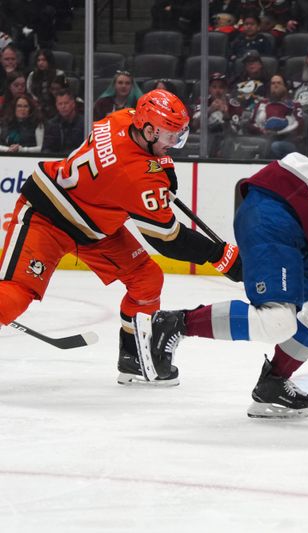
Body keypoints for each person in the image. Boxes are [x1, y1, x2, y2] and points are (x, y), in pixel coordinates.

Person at [133, 113, 308, 419]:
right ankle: (173, 324)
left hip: (298, 233)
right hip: (276, 214)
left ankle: (273, 383)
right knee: (278, 321)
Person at [0, 89, 243, 386]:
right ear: (150, 129)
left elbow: (143, 160)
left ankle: (133, 359)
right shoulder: (138, 177)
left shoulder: (123, 118)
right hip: (46, 216)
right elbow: (167, 239)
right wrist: (222, 256)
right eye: (170, 135)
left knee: (146, 279)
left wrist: (163, 169)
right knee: (15, 295)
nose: (175, 143)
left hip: (93, 225)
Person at [252, 73, 304, 158]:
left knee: (274, 146)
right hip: (263, 138)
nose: (275, 85)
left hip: (288, 141)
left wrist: (282, 131)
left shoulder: (294, 104)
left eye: (279, 83)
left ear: (285, 87)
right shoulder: (261, 104)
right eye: (273, 83)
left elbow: (300, 125)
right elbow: (250, 124)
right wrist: (261, 130)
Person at [41, 89, 83, 154]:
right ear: (56, 106)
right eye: (60, 104)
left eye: (66, 103)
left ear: (73, 104)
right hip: (57, 161)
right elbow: (46, 149)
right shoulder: (51, 125)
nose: (63, 106)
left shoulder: (83, 123)